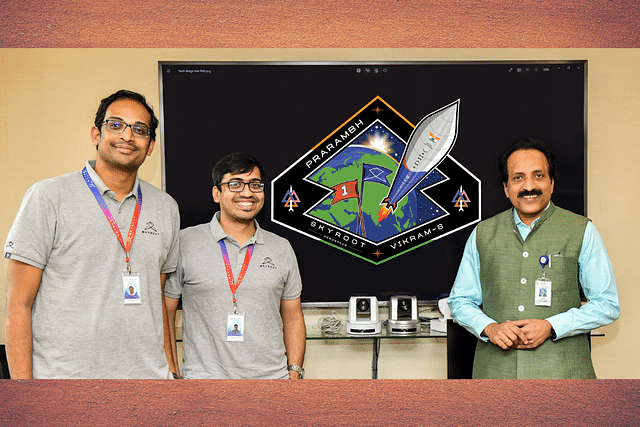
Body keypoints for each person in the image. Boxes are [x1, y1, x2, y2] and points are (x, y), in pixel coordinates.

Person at [4, 90, 180, 379]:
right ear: (96, 134)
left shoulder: (166, 207)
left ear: (150, 146)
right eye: (116, 124)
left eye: (140, 129)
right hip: (66, 381)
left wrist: (171, 370)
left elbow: (156, 296)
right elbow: (17, 304)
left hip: (148, 382)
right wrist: (24, 394)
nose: (127, 136)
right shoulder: (48, 197)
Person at [448, 138, 620, 379]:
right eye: (518, 178)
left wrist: (552, 326)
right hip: (495, 376)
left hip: (564, 376)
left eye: (538, 176)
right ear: (506, 188)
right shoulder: (483, 234)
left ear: (551, 182)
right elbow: (460, 301)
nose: (529, 186)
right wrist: (490, 327)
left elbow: (607, 305)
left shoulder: (581, 230)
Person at [165, 153, 306, 379]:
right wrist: (172, 373)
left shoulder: (282, 248)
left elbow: (292, 317)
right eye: (235, 184)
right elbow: (166, 312)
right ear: (216, 193)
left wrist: (294, 372)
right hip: (203, 384)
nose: (247, 192)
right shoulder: (184, 242)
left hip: (272, 382)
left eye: (255, 185)